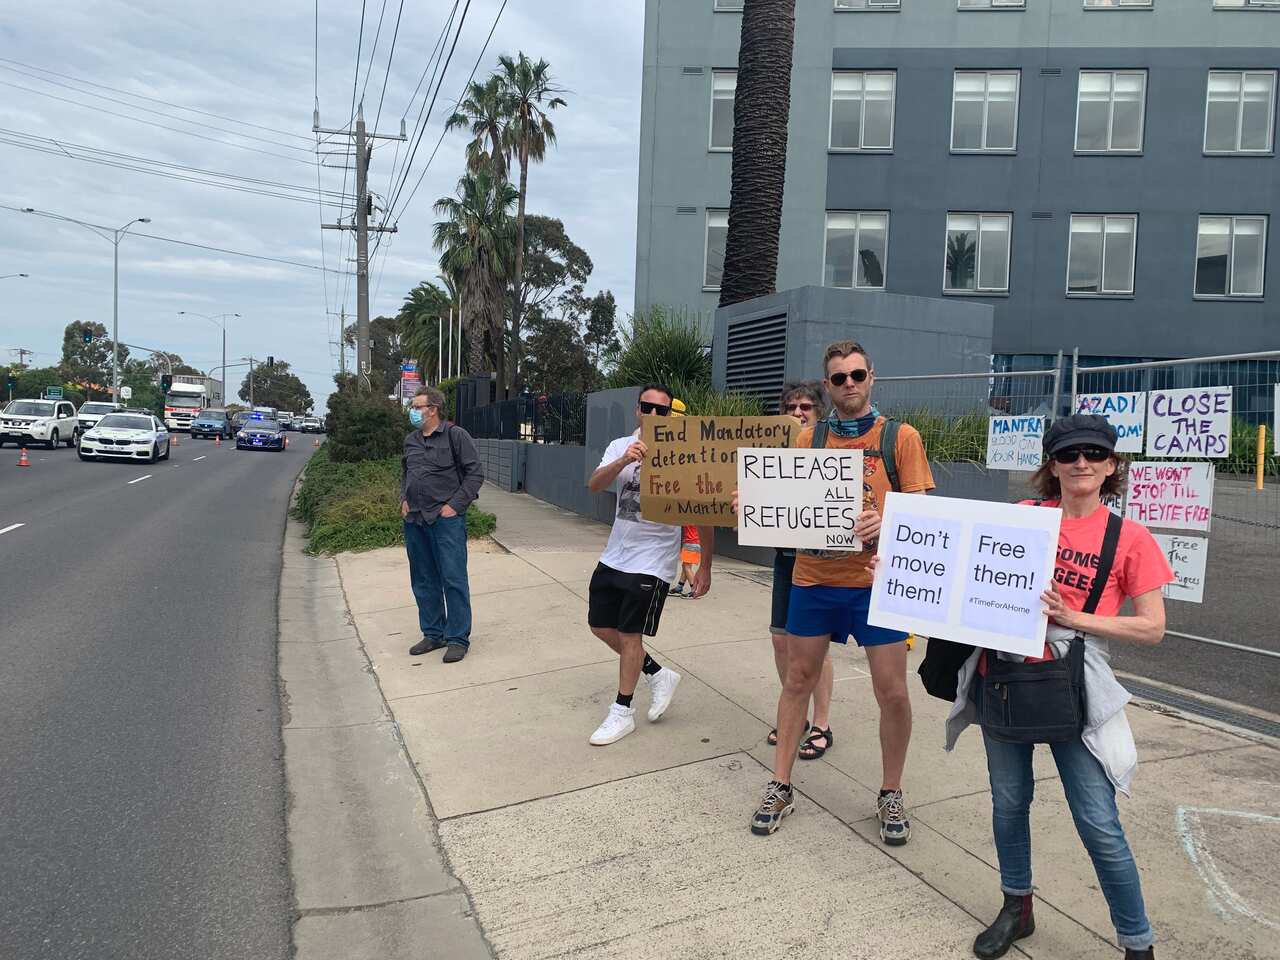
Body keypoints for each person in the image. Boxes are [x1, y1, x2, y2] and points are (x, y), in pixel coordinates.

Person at [943, 414, 1171, 960]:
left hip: (1076, 689)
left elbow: (1152, 627)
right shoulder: (1023, 519)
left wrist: (1076, 618)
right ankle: (1016, 907)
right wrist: (896, 566)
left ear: (1111, 465)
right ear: (1052, 465)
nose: (1081, 463)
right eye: (1069, 454)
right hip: (1005, 678)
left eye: (1094, 453)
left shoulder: (1129, 537)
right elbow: (953, 571)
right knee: (1008, 803)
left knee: (1098, 821)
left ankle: (1137, 942)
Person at [747, 341, 934, 841]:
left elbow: (926, 514)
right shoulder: (807, 439)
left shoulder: (901, 437)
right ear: (827, 385)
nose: (848, 384)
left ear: (871, 375)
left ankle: (890, 791)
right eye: (838, 378)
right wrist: (755, 502)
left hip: (877, 586)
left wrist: (887, 518)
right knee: (796, 682)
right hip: (813, 580)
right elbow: (782, 502)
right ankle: (781, 783)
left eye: (856, 374)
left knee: (892, 691)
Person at [584, 384, 716, 745]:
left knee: (630, 636)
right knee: (599, 625)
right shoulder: (619, 446)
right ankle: (658, 674)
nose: (655, 415)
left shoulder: (684, 453)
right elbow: (595, 485)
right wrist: (625, 459)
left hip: (653, 561)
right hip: (615, 554)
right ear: (638, 410)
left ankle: (622, 711)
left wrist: (705, 564)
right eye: (648, 408)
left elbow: (702, 510)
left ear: (670, 414)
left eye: (663, 410)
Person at [765, 381, 837, 761]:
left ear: (819, 411)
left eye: (806, 406)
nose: (798, 412)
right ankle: (796, 713)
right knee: (781, 640)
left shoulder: (832, 447)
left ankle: (822, 723)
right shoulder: (769, 452)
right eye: (791, 406)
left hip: (821, 561)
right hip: (786, 558)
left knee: (815, 644)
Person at [401, 386, 484, 664]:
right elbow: (406, 472)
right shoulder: (411, 440)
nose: (412, 411)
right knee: (423, 580)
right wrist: (403, 499)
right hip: (414, 519)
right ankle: (433, 633)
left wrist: (454, 507)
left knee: (453, 578)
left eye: (417, 406)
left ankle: (458, 638)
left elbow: (475, 475)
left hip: (445, 520)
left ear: (433, 409)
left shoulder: (455, 436)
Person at [671, 525, 700, 598]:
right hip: (694, 542)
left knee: (687, 567)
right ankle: (679, 587)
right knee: (685, 565)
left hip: (690, 543)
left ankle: (694, 590)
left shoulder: (688, 517)